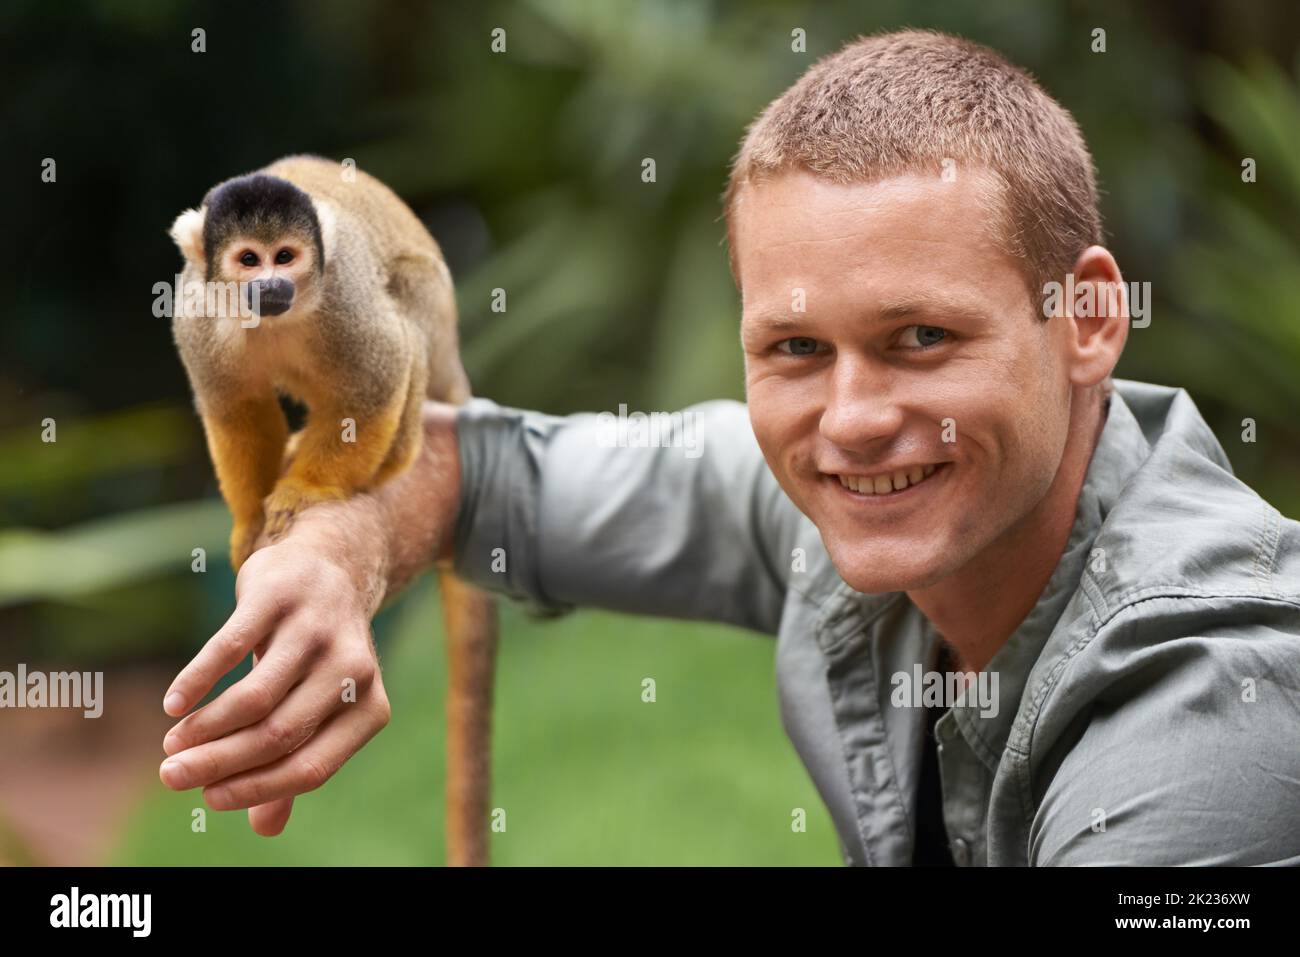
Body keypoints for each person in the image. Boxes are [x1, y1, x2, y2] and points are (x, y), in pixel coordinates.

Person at [157, 29, 1300, 865]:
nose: (850, 419)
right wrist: (333, 553)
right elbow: (490, 476)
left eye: (921, 337)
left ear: (1088, 320)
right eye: (797, 347)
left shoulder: (1198, 716)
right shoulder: (832, 493)